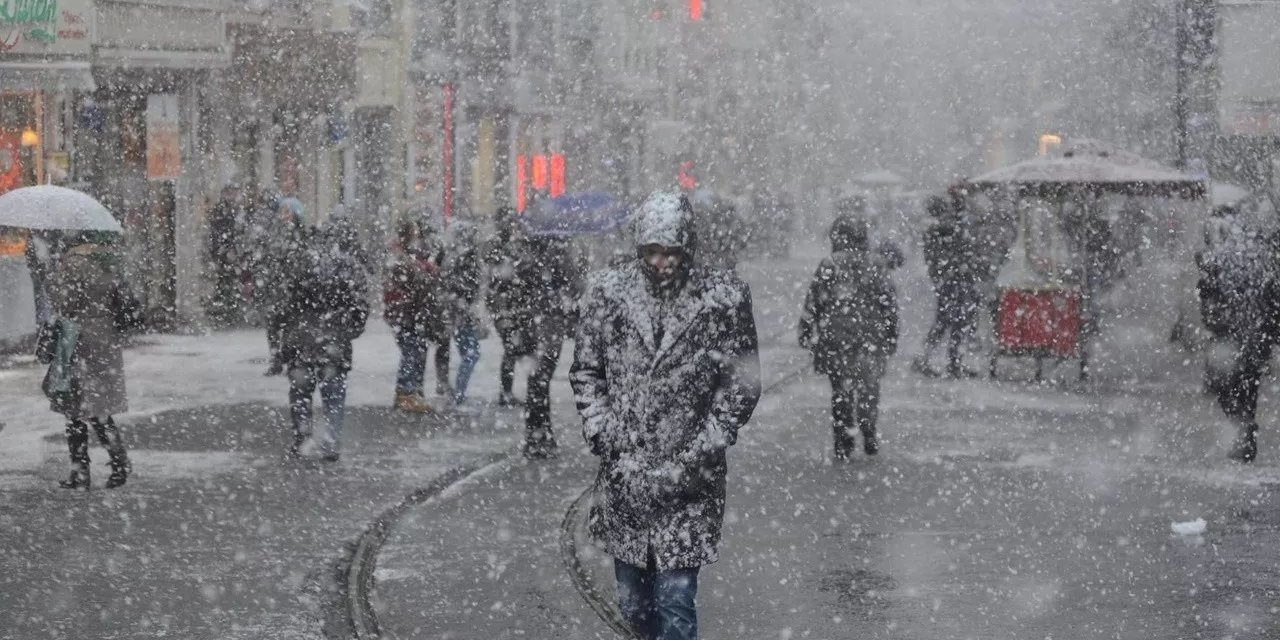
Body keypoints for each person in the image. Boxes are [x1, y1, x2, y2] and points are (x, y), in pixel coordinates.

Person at [570, 191, 761, 639]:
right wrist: (604, 431)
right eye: (652, 252)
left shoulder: (723, 299)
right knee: (634, 605)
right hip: (627, 477)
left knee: (676, 599)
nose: (661, 263)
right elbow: (586, 371)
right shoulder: (607, 293)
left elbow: (741, 384)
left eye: (671, 252)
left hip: (689, 479)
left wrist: (705, 445)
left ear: (688, 248)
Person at [43, 232, 139, 489]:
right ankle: (118, 463)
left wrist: (53, 277)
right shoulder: (109, 262)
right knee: (98, 409)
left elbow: (66, 302)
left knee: (75, 410)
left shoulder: (75, 264)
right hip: (106, 341)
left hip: (80, 341)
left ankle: (81, 471)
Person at [799, 214, 899, 459]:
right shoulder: (876, 265)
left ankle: (843, 439)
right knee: (869, 388)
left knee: (840, 391)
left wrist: (806, 331)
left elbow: (813, 302)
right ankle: (868, 429)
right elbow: (889, 303)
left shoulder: (829, 265)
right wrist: (891, 333)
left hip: (835, 339)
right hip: (870, 338)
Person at [279, 216, 370, 461]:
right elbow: (361, 307)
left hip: (301, 340)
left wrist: (287, 339)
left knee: (300, 391)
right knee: (333, 394)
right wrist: (347, 330)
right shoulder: (350, 268)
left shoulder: (301, 262)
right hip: (334, 342)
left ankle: (303, 437)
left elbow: (285, 306)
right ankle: (330, 440)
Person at [520, 232, 583, 458]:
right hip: (548, 328)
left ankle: (535, 435)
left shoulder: (525, 259)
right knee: (541, 381)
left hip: (530, 328)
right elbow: (576, 287)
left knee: (535, 382)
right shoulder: (559, 256)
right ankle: (541, 435)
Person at [384, 214, 448, 413]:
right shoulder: (400, 257)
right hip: (406, 312)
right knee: (411, 351)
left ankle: (409, 392)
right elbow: (415, 276)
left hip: (409, 312)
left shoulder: (404, 255)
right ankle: (406, 393)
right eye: (414, 234)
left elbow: (421, 272)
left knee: (415, 349)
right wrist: (430, 272)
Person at [913, 194, 980, 378]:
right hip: (953, 280)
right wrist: (959, 264)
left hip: (947, 280)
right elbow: (954, 254)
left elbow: (934, 258)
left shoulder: (935, 230)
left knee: (946, 320)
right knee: (955, 320)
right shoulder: (947, 229)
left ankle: (933, 358)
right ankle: (951, 361)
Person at [484, 206, 534, 406]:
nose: (511, 225)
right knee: (512, 349)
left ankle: (509, 392)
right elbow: (497, 275)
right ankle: (506, 393)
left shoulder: (517, 243)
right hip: (503, 306)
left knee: (516, 349)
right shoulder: (497, 245)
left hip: (516, 305)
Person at [444, 220, 483, 405]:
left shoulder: (459, 258)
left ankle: (459, 391)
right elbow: (462, 286)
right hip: (461, 313)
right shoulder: (464, 259)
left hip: (459, 312)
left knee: (469, 353)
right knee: (471, 353)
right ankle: (459, 393)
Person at [208, 182, 245, 326]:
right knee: (223, 282)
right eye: (230, 192)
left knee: (232, 282)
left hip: (232, 253)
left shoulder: (236, 210)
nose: (232, 196)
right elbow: (216, 232)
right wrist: (221, 250)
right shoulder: (221, 210)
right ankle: (224, 312)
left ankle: (230, 311)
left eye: (234, 192)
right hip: (223, 253)